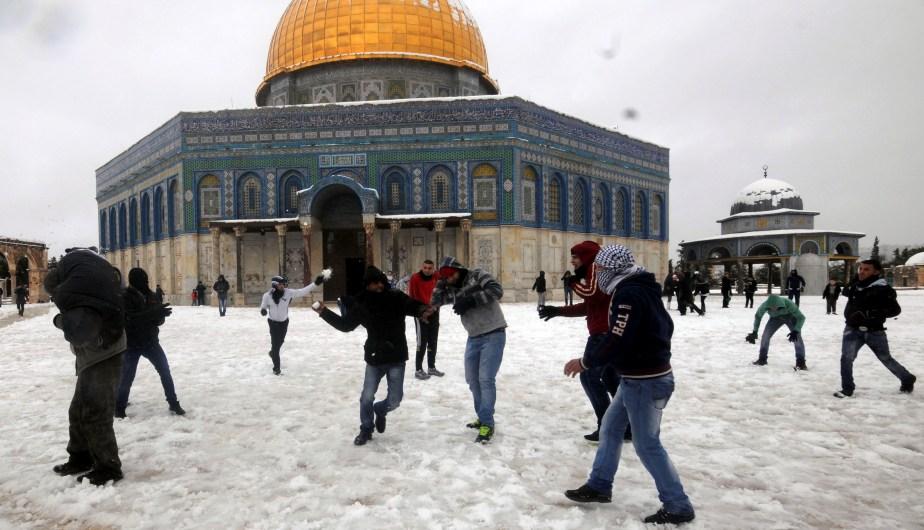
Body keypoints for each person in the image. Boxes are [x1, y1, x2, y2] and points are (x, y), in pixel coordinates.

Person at [562, 244, 695, 525]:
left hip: (645, 381)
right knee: (610, 428)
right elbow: (665, 326)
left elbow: (617, 338)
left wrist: (586, 362)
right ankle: (599, 485)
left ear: (613, 269)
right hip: (637, 377)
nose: (598, 274)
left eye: (601, 269)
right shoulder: (641, 287)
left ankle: (678, 504)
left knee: (647, 444)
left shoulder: (629, 294)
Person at [314, 266, 434, 446]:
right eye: (373, 284)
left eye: (380, 282)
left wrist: (423, 310)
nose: (378, 286)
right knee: (366, 397)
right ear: (367, 285)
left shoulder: (395, 297)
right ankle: (366, 428)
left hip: (396, 356)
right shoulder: (362, 303)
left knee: (395, 400)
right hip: (375, 356)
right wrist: (324, 312)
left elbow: (411, 305)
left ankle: (381, 409)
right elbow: (346, 325)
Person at [43, 248, 126, 486]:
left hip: (105, 355)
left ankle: (108, 467)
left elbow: (78, 332)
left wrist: (60, 321)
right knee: (78, 410)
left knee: (96, 412)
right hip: (93, 355)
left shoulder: (73, 294)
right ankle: (80, 457)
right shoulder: (85, 288)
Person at [538, 241, 628, 443]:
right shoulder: (594, 273)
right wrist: (558, 311)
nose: (572, 261)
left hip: (604, 335)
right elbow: (589, 306)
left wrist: (572, 282)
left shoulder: (596, 268)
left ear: (587, 257)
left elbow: (592, 294)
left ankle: (608, 428)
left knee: (588, 377)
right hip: (607, 333)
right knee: (612, 380)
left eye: (575, 257)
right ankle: (626, 427)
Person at [431, 256, 507, 443]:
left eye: (450, 275)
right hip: (473, 337)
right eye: (445, 277)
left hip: (494, 333)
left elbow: (496, 290)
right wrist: (440, 281)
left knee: (485, 379)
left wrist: (471, 300)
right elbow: (435, 301)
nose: (449, 280)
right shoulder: (452, 289)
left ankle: (487, 424)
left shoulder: (477, 274)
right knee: (472, 380)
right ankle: (482, 417)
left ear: (459, 270)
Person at [834, 260, 916, 398]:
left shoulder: (883, 289)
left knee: (886, 358)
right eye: (860, 269)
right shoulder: (856, 286)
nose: (861, 271)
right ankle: (847, 389)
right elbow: (846, 292)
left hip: (874, 331)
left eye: (866, 269)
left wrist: (873, 314)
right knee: (846, 359)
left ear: (876, 272)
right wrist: (855, 279)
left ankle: (907, 378)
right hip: (852, 329)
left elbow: (895, 310)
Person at [115, 268, 184, 418]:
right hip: (132, 343)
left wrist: (160, 316)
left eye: (146, 279)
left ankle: (173, 403)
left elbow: (158, 320)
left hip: (151, 342)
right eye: (142, 280)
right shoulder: (125, 297)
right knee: (127, 376)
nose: (145, 283)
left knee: (165, 371)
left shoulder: (151, 295)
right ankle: (119, 408)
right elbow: (129, 320)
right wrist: (151, 314)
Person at [260, 272, 327, 375]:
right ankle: (276, 369)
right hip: (273, 323)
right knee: (276, 345)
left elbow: (303, 291)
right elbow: (263, 306)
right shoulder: (267, 296)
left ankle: (273, 353)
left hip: (284, 322)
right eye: (280, 284)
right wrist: (263, 310)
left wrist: (315, 283)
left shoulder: (288, 293)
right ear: (275, 285)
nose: (283, 286)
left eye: (284, 284)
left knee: (281, 341)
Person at [746, 293, 807, 370]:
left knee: (797, 339)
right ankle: (762, 359)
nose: (773, 309)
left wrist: (796, 330)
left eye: (776, 307)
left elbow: (801, 317)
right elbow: (758, 316)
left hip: (791, 317)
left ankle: (801, 363)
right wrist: (755, 332)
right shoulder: (764, 305)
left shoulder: (789, 303)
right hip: (775, 319)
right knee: (765, 336)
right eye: (771, 308)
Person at [408, 260, 444, 380]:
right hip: (421, 314)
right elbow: (412, 297)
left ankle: (431, 367)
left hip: (434, 312)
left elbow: (441, 291)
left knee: (433, 340)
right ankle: (418, 369)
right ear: (422, 267)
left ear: (433, 269)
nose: (427, 270)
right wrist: (420, 312)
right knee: (421, 342)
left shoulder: (436, 277)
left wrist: (435, 307)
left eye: (430, 268)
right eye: (425, 267)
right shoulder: (415, 278)